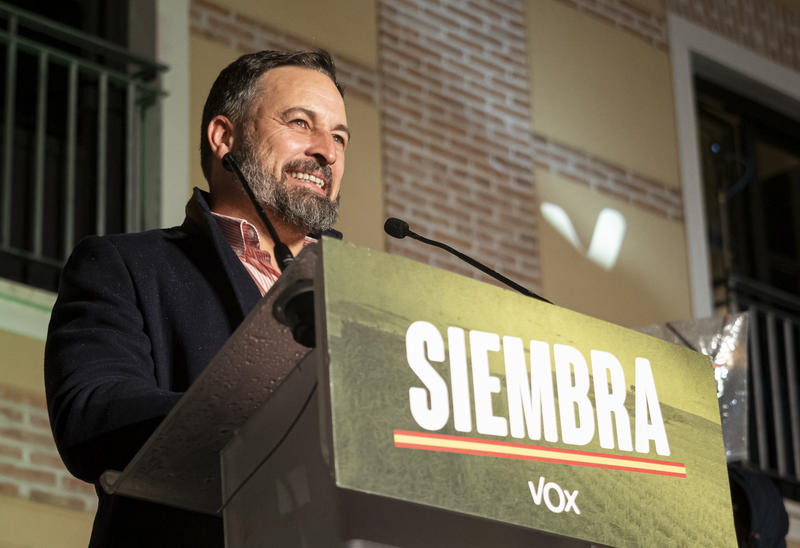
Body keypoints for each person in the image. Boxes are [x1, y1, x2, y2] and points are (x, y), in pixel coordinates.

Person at [44, 49, 349, 547]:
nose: (328, 152)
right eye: (301, 123)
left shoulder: (365, 298)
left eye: (339, 136)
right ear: (224, 138)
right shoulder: (125, 267)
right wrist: (277, 418)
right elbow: (91, 416)